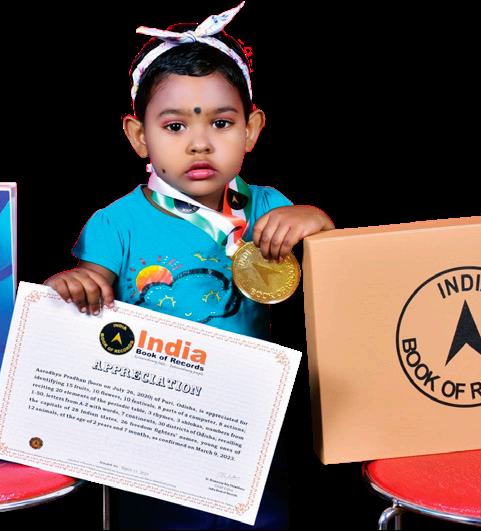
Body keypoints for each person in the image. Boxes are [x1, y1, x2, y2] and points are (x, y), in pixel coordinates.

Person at [45, 3, 334, 528]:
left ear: (251, 129)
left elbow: (340, 285)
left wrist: (317, 222)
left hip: (247, 423)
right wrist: (75, 284)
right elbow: (91, 292)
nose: (200, 142)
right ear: (139, 136)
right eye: (175, 126)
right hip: (152, 427)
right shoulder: (115, 224)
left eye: (221, 123)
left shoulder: (270, 206)